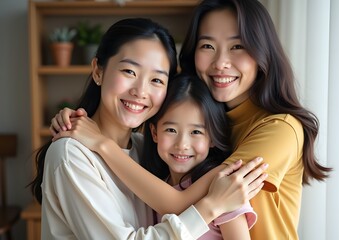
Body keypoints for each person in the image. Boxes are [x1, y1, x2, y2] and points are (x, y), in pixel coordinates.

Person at [52, 0, 332, 239]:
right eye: (208, 45)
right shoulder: (152, 146)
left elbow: (178, 202)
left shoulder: (277, 130)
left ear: (262, 52)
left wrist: (100, 142)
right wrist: (78, 127)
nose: (221, 62)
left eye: (237, 47)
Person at [29, 17, 268, 239]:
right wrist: (210, 208)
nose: (141, 91)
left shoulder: (148, 149)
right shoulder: (71, 154)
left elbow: (175, 201)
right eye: (129, 71)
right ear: (98, 71)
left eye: (156, 80)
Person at [144, 74, 257, 239]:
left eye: (196, 132)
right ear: (154, 133)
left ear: (211, 137)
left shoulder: (222, 187)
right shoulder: (156, 188)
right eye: (171, 130)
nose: (182, 144)